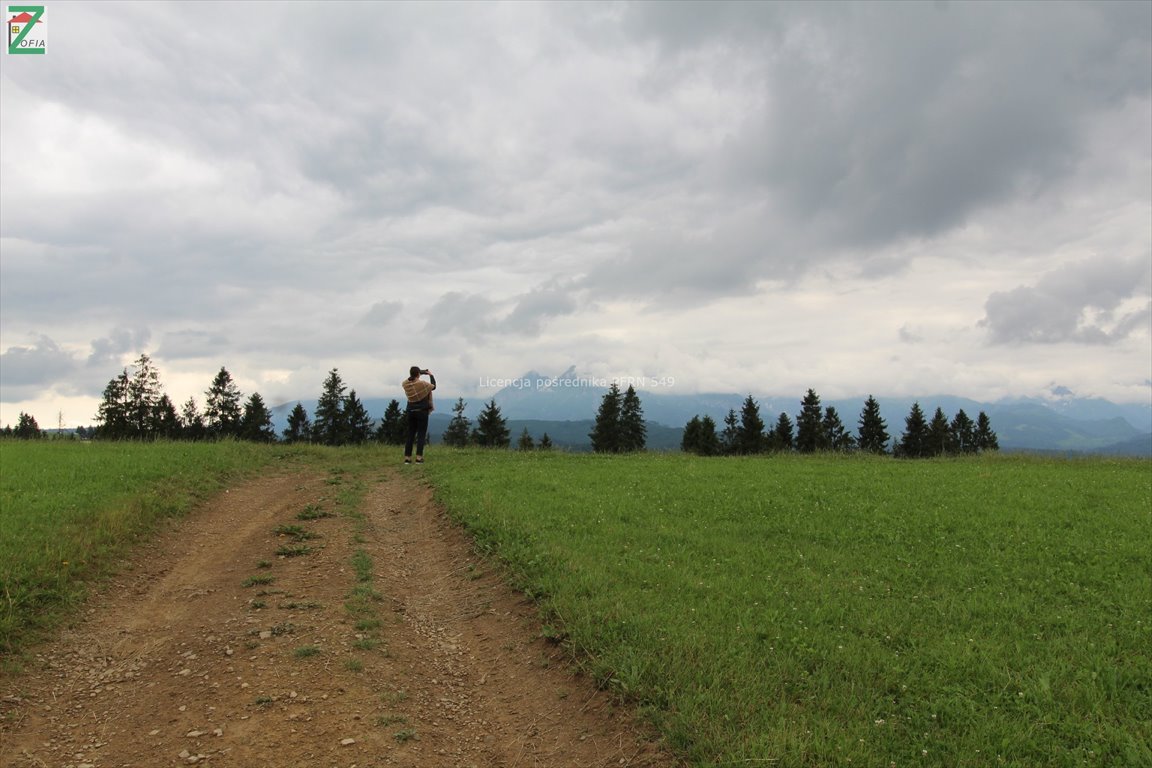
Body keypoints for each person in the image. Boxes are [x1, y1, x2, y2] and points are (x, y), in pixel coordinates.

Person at [401, 365, 436, 463]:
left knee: (410, 434)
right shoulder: (422, 384)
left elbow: (409, 379)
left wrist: (418, 372)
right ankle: (419, 458)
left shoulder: (405, 384)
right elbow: (433, 386)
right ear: (418, 374)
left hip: (410, 411)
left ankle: (407, 458)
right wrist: (430, 375)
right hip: (422, 412)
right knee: (421, 434)